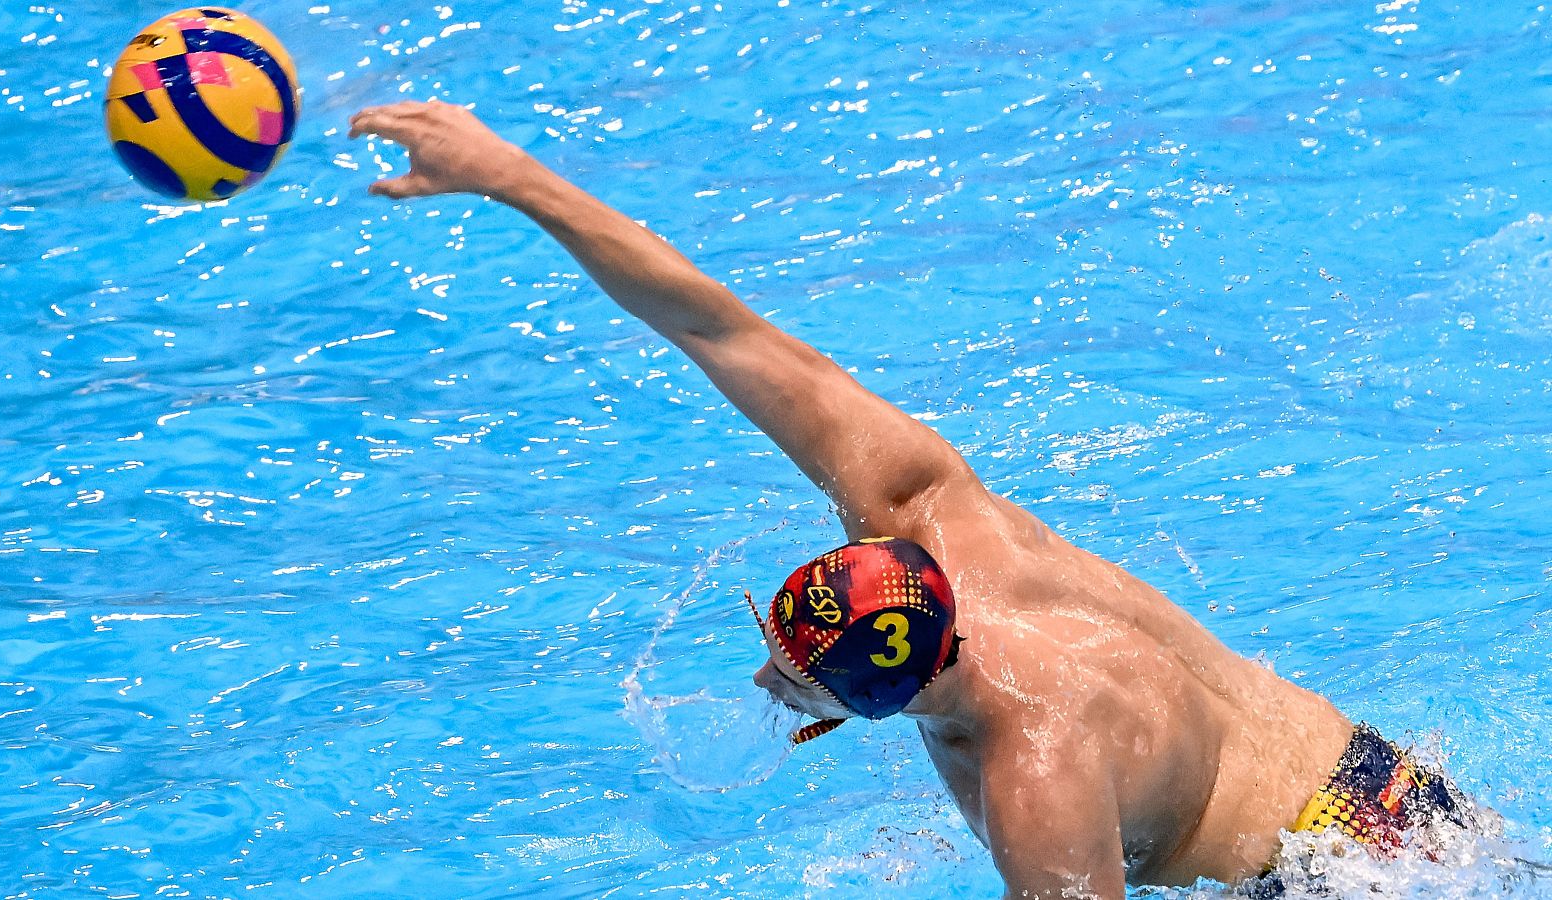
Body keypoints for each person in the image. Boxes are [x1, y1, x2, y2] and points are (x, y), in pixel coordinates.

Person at [348, 100, 1473, 897]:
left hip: (1327, 884)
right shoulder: (927, 506)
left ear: (879, 701)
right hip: (1391, 788)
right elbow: (713, 325)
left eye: (786, 674)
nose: (762, 680)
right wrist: (509, 176)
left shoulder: (1034, 775)